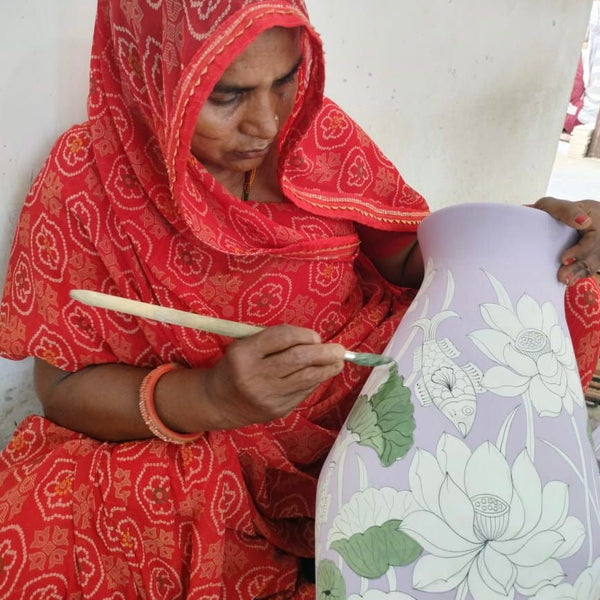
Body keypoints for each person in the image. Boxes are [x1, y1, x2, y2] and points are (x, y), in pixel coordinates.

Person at [0, 1, 599, 597]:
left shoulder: (315, 129)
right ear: (153, 73)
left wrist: (534, 231)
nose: (265, 123)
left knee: (568, 290)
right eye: (227, 96)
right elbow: (62, 390)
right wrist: (211, 398)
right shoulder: (89, 176)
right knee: (55, 508)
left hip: (359, 384)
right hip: (211, 429)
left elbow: (417, 263)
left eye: (285, 81)